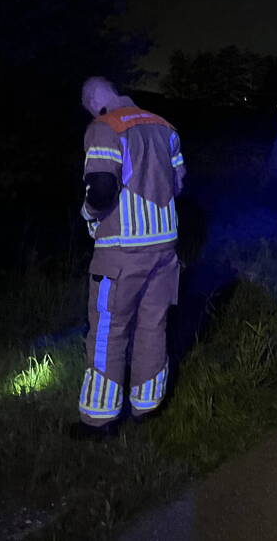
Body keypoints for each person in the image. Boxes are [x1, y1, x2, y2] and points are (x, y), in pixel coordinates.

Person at [72, 77, 186, 439]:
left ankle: (99, 420)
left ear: (93, 102)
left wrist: (89, 215)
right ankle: (147, 406)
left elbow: (102, 188)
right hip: (165, 247)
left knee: (108, 329)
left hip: (121, 252)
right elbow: (180, 182)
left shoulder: (103, 128)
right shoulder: (165, 126)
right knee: (154, 325)